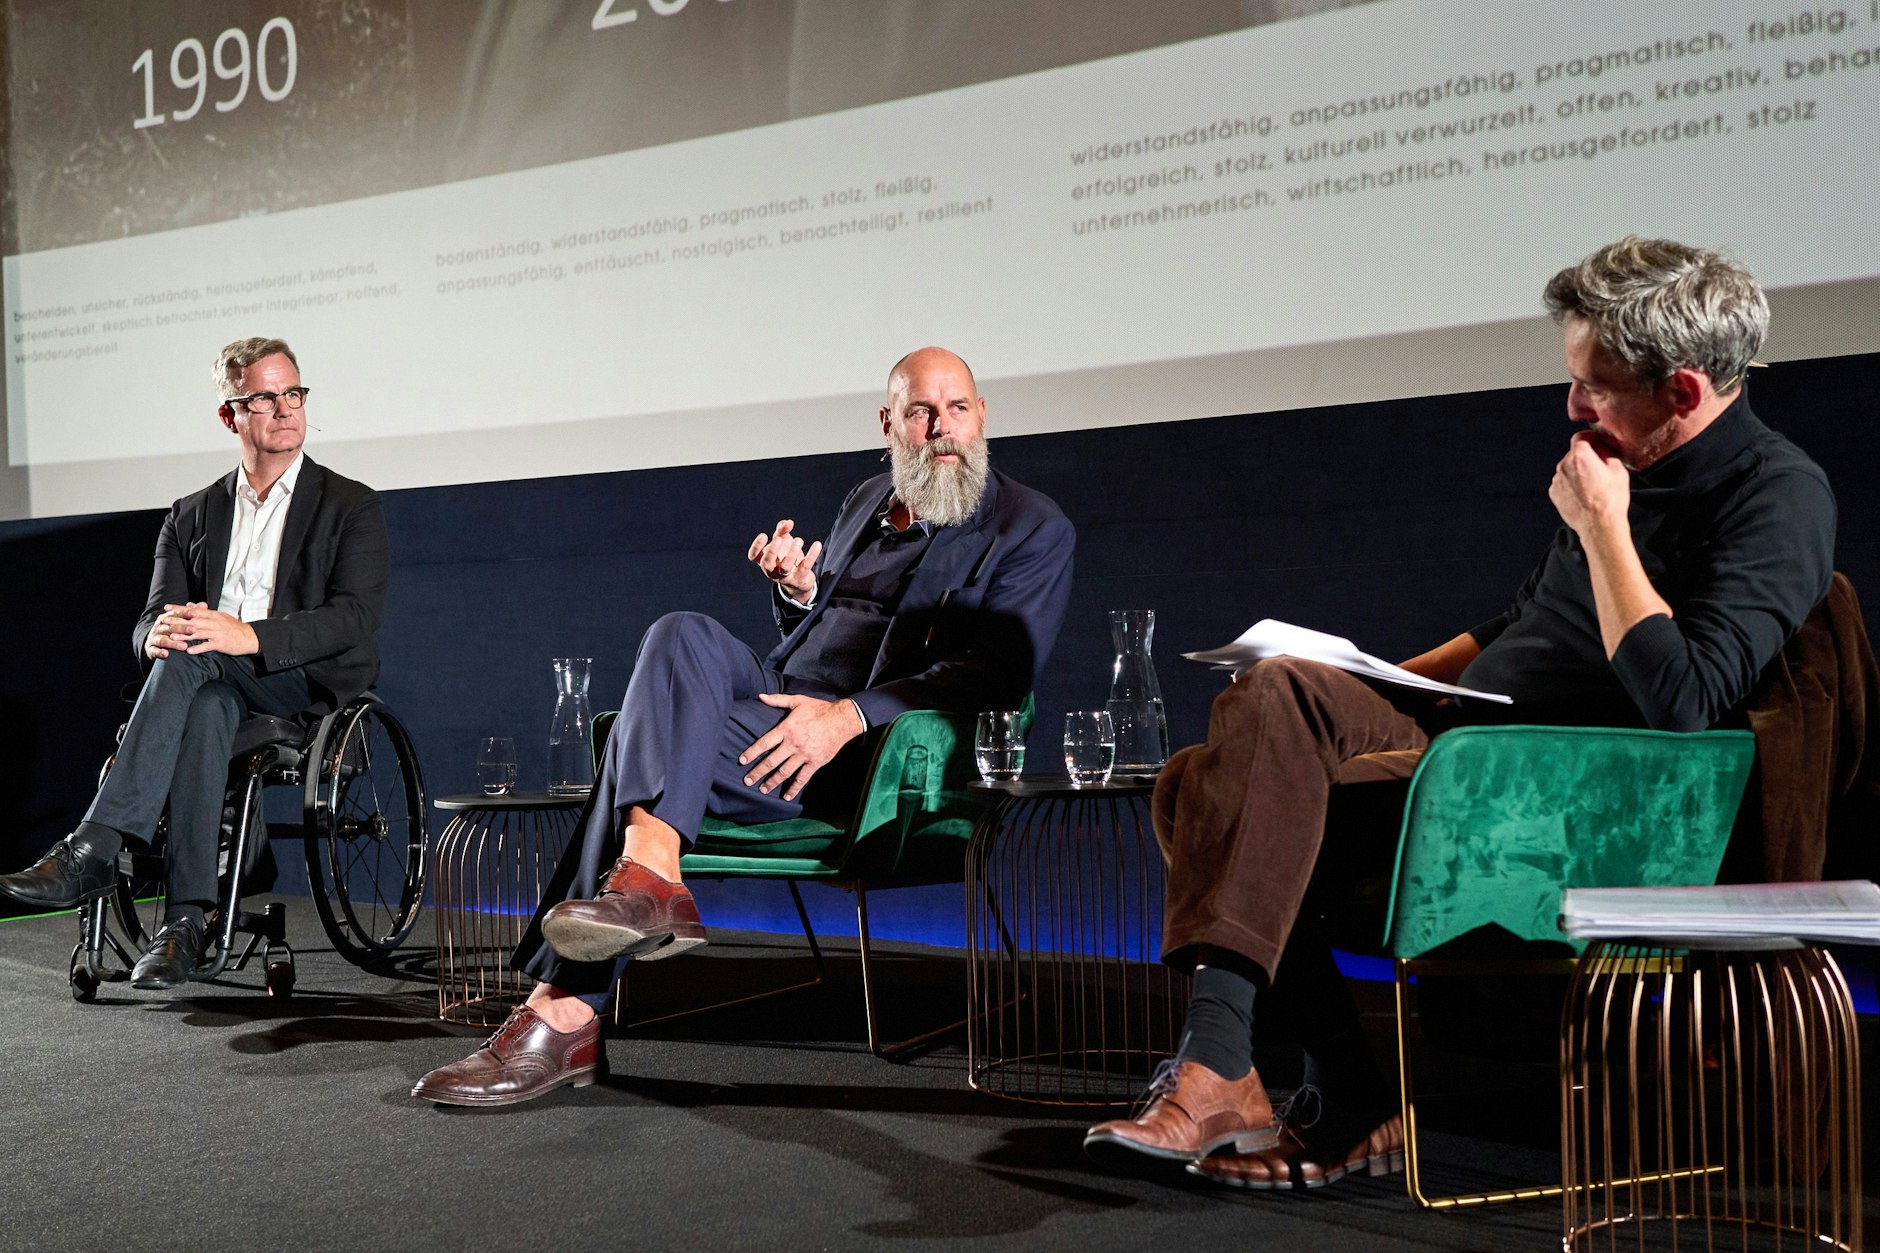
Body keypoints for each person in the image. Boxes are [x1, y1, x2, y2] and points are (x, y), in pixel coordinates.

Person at [1084, 237, 1836, 1188]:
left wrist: (1604, 526)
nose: (1573, 407)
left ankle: (1249, 1073)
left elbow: (1685, 700)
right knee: (1221, 750)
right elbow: (1522, 626)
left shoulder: (1778, 494)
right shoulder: (1616, 458)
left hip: (1559, 793)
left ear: (1684, 392)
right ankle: (1294, 1080)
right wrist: (1358, 679)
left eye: (1595, 386)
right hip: (1469, 750)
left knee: (1221, 767)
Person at [413, 346, 1075, 1106]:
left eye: (958, 409)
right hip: (784, 705)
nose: (942, 429)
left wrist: (848, 718)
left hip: (866, 754)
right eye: (922, 411)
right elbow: (829, 631)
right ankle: (651, 871)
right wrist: (799, 593)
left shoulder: (1031, 527)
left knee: (638, 735)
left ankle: (564, 1009)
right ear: (890, 422)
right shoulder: (868, 496)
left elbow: (996, 671)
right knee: (679, 632)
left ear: (982, 415)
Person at [0, 337, 389, 990]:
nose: (286, 409)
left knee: (195, 658)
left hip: (301, 682)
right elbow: (152, 616)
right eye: (265, 396)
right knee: (201, 695)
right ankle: (185, 922)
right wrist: (153, 633)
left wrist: (246, 635)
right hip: (211, 683)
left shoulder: (350, 505)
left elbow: (353, 618)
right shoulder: (189, 514)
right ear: (229, 415)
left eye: (294, 393)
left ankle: (93, 845)